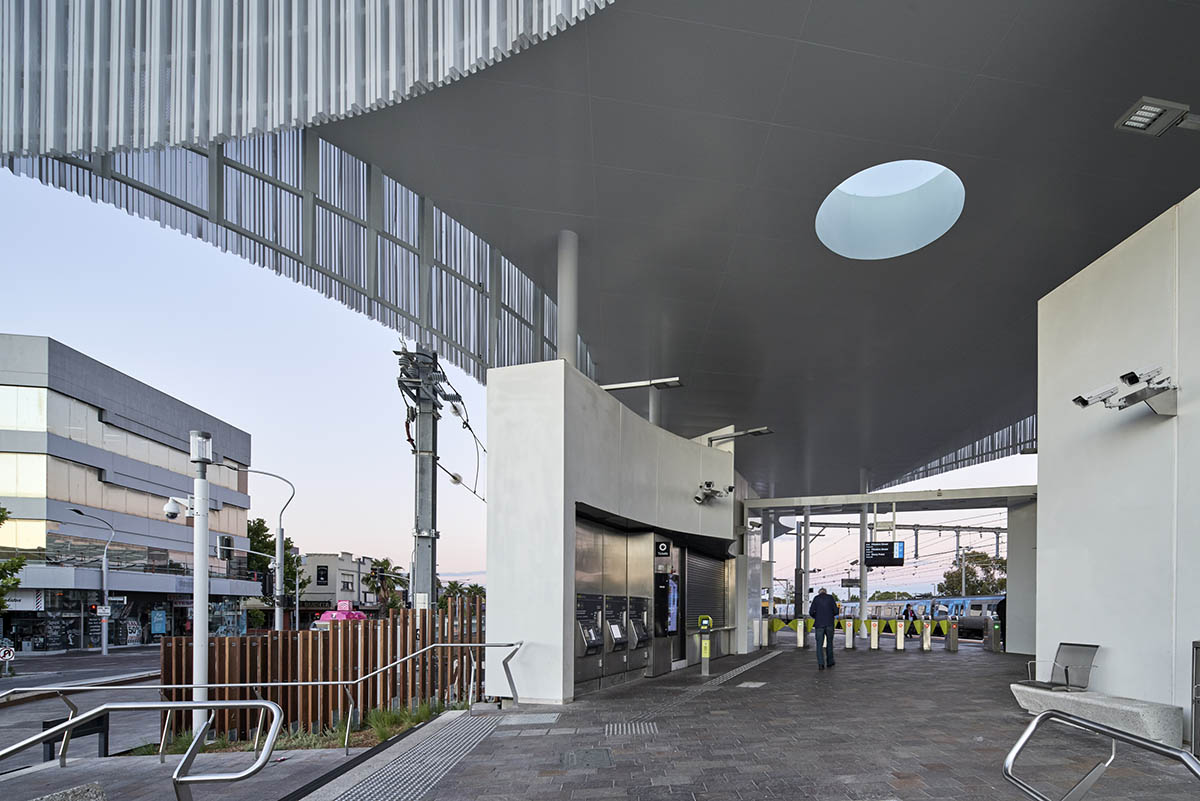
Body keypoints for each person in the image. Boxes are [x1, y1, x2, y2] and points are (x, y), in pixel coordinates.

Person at [809, 588, 838, 670]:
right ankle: (830, 662)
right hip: (829, 624)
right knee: (829, 643)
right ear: (826, 592)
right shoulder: (830, 598)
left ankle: (821, 664)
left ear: (819, 593)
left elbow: (811, 612)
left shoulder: (816, 598)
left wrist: (817, 617)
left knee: (819, 645)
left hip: (819, 625)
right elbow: (836, 611)